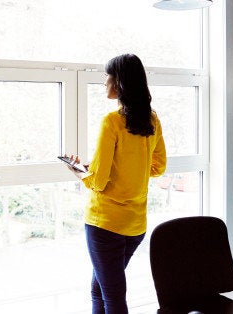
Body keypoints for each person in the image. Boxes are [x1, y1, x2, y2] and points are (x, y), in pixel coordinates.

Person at [64, 54, 166, 314]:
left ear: (119, 82)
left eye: (107, 77)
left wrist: (79, 172)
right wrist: (124, 171)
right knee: (100, 291)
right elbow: (157, 166)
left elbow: (98, 181)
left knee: (112, 296)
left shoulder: (112, 122)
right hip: (135, 226)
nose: (104, 83)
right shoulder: (152, 121)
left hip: (105, 224)